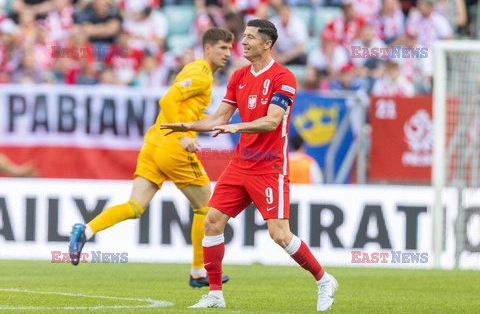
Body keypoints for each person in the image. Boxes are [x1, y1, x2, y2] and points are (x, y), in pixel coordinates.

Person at [161, 19, 337, 311]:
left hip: (270, 166)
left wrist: (237, 127)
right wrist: (187, 126)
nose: (242, 42)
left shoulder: (284, 77)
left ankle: (323, 279)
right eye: (243, 36)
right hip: (241, 164)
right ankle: (215, 296)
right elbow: (219, 118)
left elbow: (272, 121)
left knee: (279, 234)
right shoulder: (240, 76)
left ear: (267, 44)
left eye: (250, 37)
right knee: (212, 222)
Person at [68, 27, 234, 289]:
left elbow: (176, 101)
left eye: (229, 48)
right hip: (173, 147)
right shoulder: (201, 74)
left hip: (153, 144)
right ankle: (198, 271)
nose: (228, 53)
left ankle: (86, 230)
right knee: (206, 208)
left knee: (135, 207)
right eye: (223, 47)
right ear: (208, 48)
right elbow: (167, 100)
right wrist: (181, 135)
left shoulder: (195, 70)